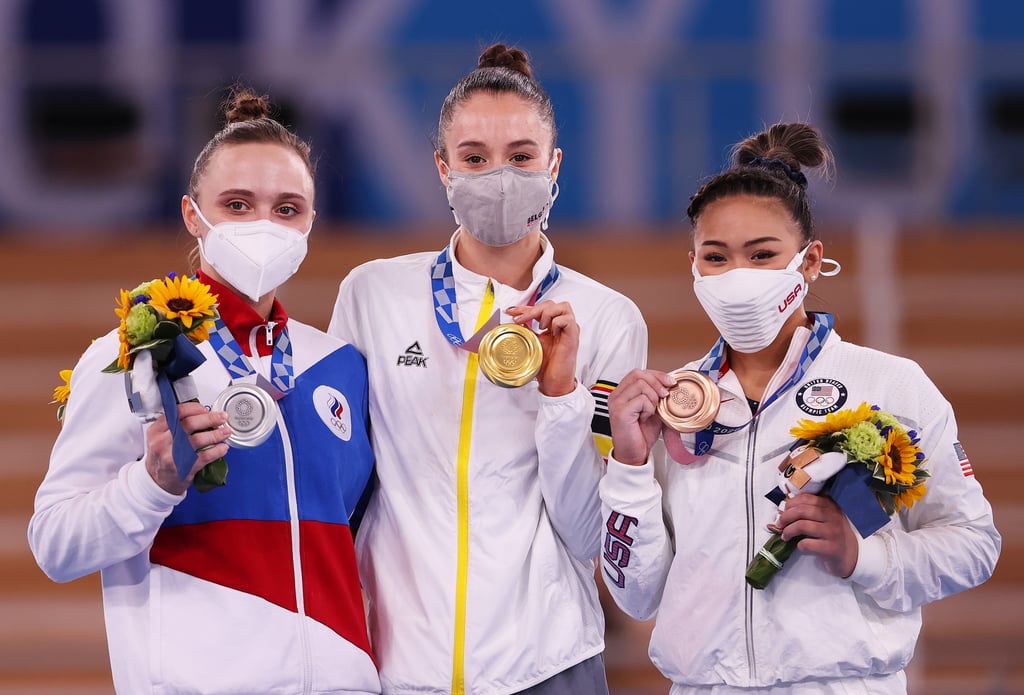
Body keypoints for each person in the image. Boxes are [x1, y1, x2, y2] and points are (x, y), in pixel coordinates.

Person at [599, 122, 1000, 694]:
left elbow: (974, 544)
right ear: (692, 264)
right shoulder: (672, 406)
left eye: (762, 255)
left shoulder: (889, 384)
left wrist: (864, 555)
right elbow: (636, 595)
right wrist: (630, 466)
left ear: (809, 262)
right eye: (717, 257)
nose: (738, 277)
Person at [28, 87, 381, 695]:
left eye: (287, 209)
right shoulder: (137, 357)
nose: (264, 225)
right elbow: (55, 544)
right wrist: (152, 485)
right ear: (194, 215)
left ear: (311, 224)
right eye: (238, 205)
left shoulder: (338, 363)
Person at [328, 44, 648, 694]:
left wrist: (561, 393)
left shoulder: (607, 319)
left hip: (549, 666)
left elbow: (589, 532)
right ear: (442, 169)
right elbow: (341, 485)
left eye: (521, 156)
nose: (497, 175)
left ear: (554, 167)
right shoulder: (372, 295)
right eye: (474, 157)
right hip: (401, 668)